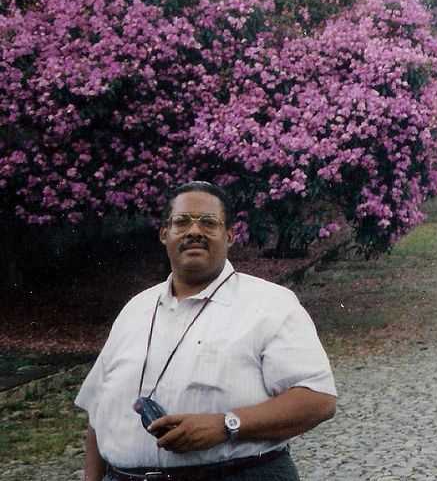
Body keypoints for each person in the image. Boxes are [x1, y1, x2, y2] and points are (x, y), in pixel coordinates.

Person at [76, 181, 337, 481]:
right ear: (165, 234)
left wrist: (226, 425)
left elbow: (318, 399)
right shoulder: (135, 310)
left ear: (229, 236)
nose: (194, 231)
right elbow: (98, 415)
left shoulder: (271, 304)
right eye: (182, 221)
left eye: (209, 223)